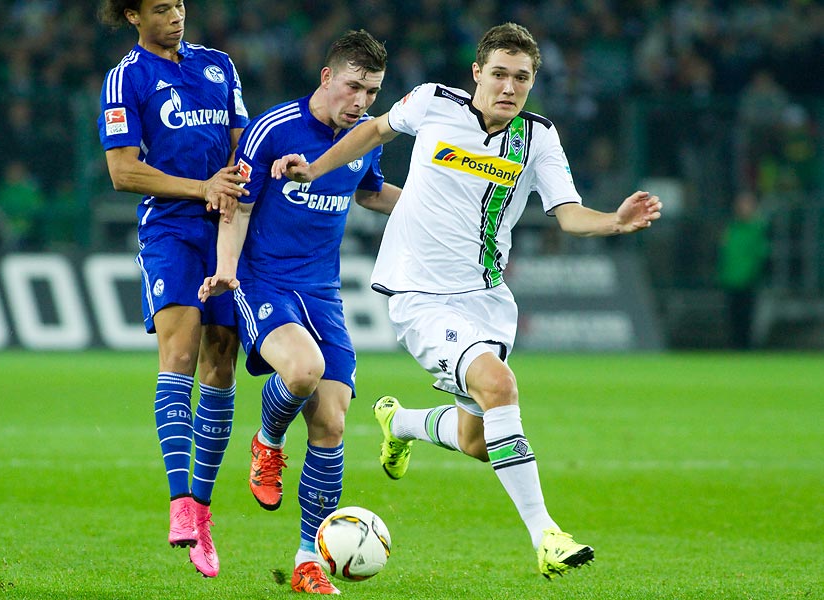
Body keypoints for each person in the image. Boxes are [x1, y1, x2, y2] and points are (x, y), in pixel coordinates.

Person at [272, 22, 662, 579]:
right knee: (499, 385)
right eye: (499, 73)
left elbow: (568, 214)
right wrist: (316, 166)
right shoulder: (433, 102)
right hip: (419, 294)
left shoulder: (539, 138)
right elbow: (375, 132)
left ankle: (401, 424)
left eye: (521, 78)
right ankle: (546, 534)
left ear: (532, 83)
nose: (508, 87)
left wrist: (614, 222)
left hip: (487, 300)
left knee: (480, 440)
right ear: (477, 72)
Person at [199, 30, 400, 594]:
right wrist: (227, 269)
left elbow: (370, 193)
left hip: (323, 293)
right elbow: (237, 204)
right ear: (327, 78)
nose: (361, 101)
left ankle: (308, 560)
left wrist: (442, 209)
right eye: (354, 86)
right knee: (304, 370)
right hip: (264, 282)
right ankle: (266, 439)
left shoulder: (366, 137)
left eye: (373, 90)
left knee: (333, 422)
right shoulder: (274, 129)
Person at [97, 0, 250, 578]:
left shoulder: (219, 65)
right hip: (170, 227)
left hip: (227, 225)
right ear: (133, 15)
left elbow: (242, 138)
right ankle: (180, 502)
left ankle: (204, 512)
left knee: (220, 362)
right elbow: (123, 171)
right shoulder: (126, 78)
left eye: (181, 4)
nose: (177, 16)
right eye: (162, 8)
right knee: (179, 354)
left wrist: (232, 183)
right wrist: (200, 187)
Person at [717, 190, 769, 350]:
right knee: (732, 317)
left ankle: (747, 348)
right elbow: (725, 254)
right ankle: (735, 347)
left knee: (747, 317)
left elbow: (761, 254)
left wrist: (752, 274)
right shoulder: (731, 228)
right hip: (730, 280)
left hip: (748, 281)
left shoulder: (758, 229)